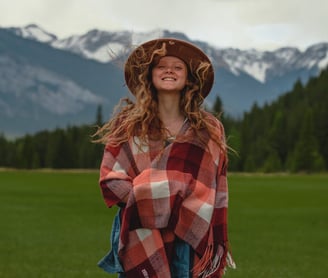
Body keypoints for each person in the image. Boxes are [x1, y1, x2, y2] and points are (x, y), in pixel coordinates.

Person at [94, 38, 235, 278]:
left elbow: (215, 187)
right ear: (149, 76)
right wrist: (162, 197)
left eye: (178, 67)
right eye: (161, 66)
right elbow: (111, 179)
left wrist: (152, 190)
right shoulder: (127, 125)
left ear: (189, 78)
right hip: (141, 232)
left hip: (189, 238)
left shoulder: (208, 128)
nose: (169, 70)